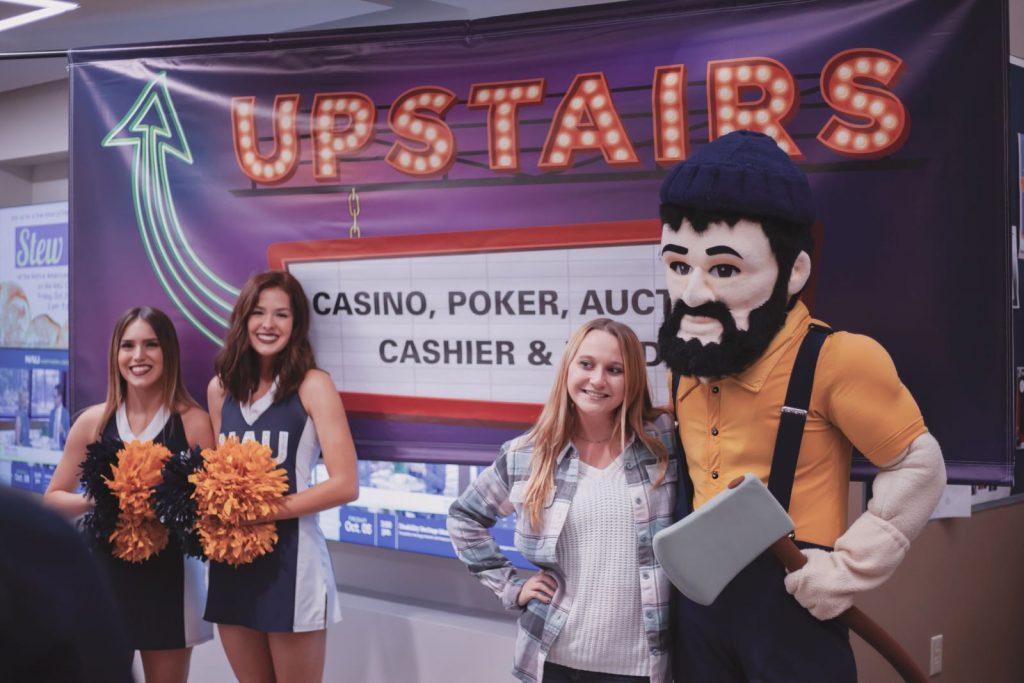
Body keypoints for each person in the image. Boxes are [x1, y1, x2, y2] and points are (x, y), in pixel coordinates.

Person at [656, 130, 946, 681]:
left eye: (723, 270)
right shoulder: (684, 361)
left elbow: (918, 465)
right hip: (697, 605)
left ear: (794, 273)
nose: (693, 294)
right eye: (677, 266)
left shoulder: (836, 359)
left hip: (790, 599)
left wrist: (847, 569)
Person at [448, 318, 676, 683]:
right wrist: (512, 588)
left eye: (614, 369)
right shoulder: (527, 454)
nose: (598, 380)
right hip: (553, 660)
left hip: (640, 667)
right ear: (568, 368)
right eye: (586, 365)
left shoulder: (664, 441)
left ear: (631, 379)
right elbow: (464, 519)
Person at [43, 306, 215, 683]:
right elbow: (53, 498)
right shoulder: (93, 422)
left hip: (170, 581)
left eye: (151, 345)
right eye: (128, 346)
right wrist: (102, 499)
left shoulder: (192, 422)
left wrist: (169, 503)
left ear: (168, 352)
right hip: (103, 579)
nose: (138, 357)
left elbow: (211, 510)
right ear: (115, 355)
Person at [206, 270, 359, 683]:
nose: (268, 324)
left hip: (293, 563)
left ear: (297, 325)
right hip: (231, 561)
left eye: (281, 315)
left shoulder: (313, 385)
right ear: (243, 319)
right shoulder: (221, 389)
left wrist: (263, 511)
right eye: (258, 313)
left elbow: (346, 483)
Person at [0, 484, 134, 683]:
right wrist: (94, 499)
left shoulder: (34, 530)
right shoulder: (33, 530)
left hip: (166, 568)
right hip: (113, 559)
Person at [49, 381, 70, 449]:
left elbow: (69, 438)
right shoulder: (51, 413)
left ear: (60, 397)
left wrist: (63, 431)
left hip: (61, 450)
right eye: (53, 397)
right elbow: (50, 434)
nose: (53, 399)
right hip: (51, 449)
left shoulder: (66, 414)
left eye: (55, 397)